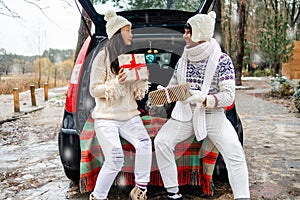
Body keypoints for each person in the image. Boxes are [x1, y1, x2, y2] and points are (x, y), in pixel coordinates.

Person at [154, 11, 250, 200]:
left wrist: (205, 99)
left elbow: (228, 97)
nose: (184, 36)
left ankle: (243, 197)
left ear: (199, 33)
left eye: (187, 32)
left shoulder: (223, 61)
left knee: (235, 152)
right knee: (161, 142)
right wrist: (163, 93)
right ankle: (173, 193)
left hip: (213, 116)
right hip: (185, 115)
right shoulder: (183, 59)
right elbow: (174, 86)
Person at [89, 10, 152, 200]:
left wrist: (141, 79)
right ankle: (98, 197)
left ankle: (140, 190)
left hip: (129, 115)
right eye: (128, 30)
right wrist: (117, 82)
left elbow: (137, 92)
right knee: (115, 157)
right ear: (117, 33)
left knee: (144, 143)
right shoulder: (102, 56)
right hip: (106, 117)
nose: (131, 34)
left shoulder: (131, 56)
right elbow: (94, 89)